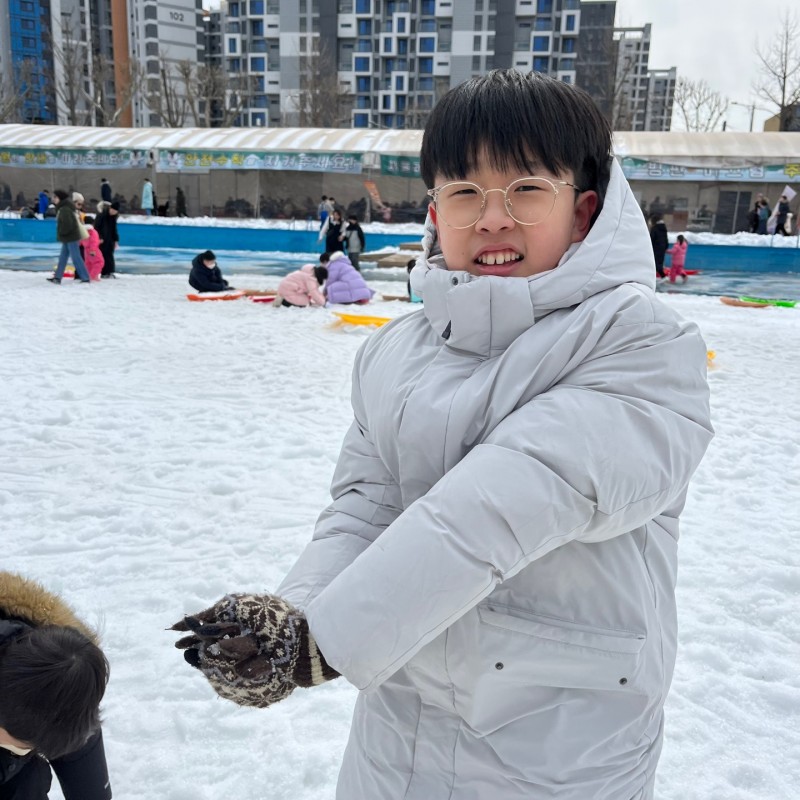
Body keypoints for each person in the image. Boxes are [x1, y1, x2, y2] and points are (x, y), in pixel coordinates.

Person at [172, 70, 713, 800]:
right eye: (464, 193)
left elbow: (512, 496)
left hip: (559, 750)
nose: (492, 218)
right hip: (396, 735)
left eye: (525, 189)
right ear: (436, 211)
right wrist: (289, 621)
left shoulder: (641, 344)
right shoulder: (397, 353)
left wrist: (325, 641)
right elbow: (365, 506)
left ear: (583, 210)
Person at [0, 571, 111, 800]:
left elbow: (90, 789)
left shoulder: (64, 686)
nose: (20, 752)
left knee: (29, 778)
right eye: (17, 747)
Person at [47, 189, 91, 284]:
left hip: (71, 236)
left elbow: (68, 224)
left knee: (76, 257)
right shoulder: (63, 207)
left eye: (55, 197)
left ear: (60, 198)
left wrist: (62, 232)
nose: (53, 199)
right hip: (68, 236)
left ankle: (85, 277)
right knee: (63, 257)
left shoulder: (65, 209)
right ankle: (58, 277)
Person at [94, 201, 120, 279]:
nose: (113, 212)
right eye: (112, 210)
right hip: (102, 239)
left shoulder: (114, 217)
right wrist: (100, 237)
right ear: (110, 208)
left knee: (110, 256)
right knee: (103, 255)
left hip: (110, 240)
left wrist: (115, 240)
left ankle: (110, 271)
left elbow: (114, 229)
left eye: (115, 211)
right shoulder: (101, 215)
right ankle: (104, 272)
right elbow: (97, 227)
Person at [80, 216, 105, 281]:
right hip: (93, 250)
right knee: (99, 262)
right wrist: (93, 250)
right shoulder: (93, 231)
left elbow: (81, 241)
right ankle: (92, 277)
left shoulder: (83, 231)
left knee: (89, 264)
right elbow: (93, 241)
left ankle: (88, 276)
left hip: (86, 250)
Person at [649, 211, 668, 278]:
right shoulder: (663, 228)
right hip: (662, 249)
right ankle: (662, 276)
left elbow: (651, 239)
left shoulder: (654, 229)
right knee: (659, 263)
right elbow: (666, 239)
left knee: (654, 264)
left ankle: (661, 276)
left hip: (655, 249)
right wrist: (665, 247)